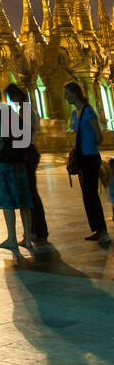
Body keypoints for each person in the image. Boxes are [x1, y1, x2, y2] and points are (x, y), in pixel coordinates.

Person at [0, 83, 34, 253]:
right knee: (23, 200)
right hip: (18, 160)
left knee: (7, 201)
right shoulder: (10, 110)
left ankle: (12, 237)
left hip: (1, 161)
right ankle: (27, 237)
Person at [5, 82, 50, 250]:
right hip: (28, 151)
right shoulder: (25, 109)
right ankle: (35, 231)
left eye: (12, 97)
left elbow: (26, 132)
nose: (12, 101)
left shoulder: (26, 110)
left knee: (30, 194)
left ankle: (37, 231)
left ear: (16, 96)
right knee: (31, 194)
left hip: (27, 152)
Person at [64, 81, 111, 246]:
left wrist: (89, 143)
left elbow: (99, 137)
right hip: (82, 157)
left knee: (91, 195)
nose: (65, 97)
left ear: (75, 94)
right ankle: (97, 230)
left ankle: (103, 232)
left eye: (67, 94)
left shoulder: (88, 112)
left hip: (90, 156)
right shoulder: (74, 114)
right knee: (87, 195)